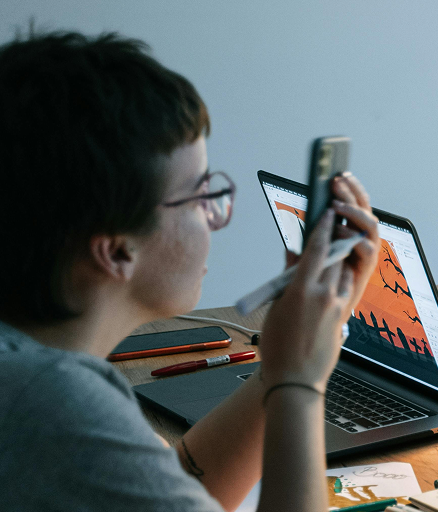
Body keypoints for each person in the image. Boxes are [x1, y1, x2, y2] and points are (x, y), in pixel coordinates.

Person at [0, 30, 381, 512]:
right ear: (117, 252)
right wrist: (299, 384)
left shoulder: (29, 369)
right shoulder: (55, 407)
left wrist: (283, 364)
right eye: (200, 195)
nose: (215, 215)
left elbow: (171, 494)